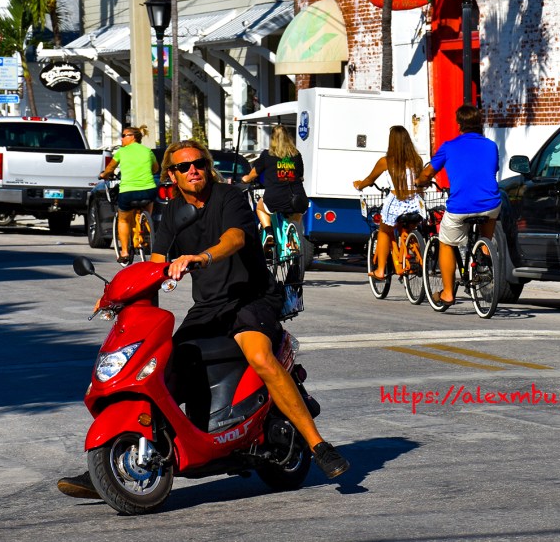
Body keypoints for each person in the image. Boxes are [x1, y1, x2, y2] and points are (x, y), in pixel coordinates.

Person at [57, 140, 348, 499]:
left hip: (251, 298)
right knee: (164, 366)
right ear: (171, 175)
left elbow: (236, 238)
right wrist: (118, 294)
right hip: (208, 306)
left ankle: (318, 445)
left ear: (207, 166)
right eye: (184, 167)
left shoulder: (229, 198)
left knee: (259, 357)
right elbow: (155, 265)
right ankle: (117, 455)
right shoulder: (172, 215)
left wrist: (202, 258)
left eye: (198, 163)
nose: (193, 170)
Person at [415, 105, 501, 310]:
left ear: (459, 124)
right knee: (486, 231)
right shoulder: (491, 145)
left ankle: (446, 294)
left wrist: (420, 182)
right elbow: (491, 170)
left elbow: (428, 173)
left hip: (461, 206)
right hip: (491, 204)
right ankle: (484, 257)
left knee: (446, 242)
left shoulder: (449, 146)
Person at [353, 125, 424, 280]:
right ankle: (415, 256)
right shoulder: (417, 160)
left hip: (396, 203)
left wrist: (359, 185)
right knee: (408, 229)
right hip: (414, 203)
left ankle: (380, 270)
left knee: (384, 232)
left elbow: (370, 180)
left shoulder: (386, 161)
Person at [98, 126, 159, 263]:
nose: (122, 138)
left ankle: (124, 252)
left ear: (133, 137)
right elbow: (156, 169)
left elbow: (110, 169)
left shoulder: (121, 152)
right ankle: (145, 226)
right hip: (148, 190)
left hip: (128, 192)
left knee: (123, 219)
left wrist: (103, 175)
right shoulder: (147, 151)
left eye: (124, 135)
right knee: (148, 203)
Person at [240, 125, 308, 247]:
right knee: (297, 212)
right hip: (298, 198)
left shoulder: (267, 155)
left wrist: (246, 179)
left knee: (260, 208)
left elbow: (255, 172)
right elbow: (301, 175)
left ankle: (269, 233)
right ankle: (293, 240)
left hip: (275, 198)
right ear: (289, 138)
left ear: (272, 139)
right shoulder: (297, 155)